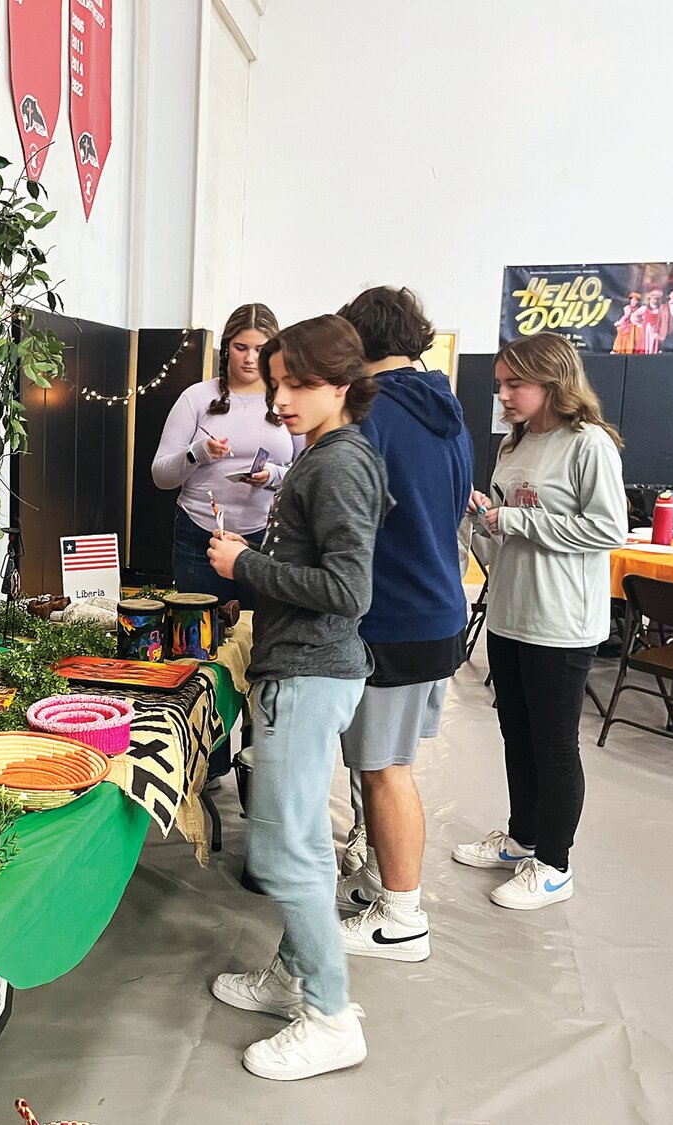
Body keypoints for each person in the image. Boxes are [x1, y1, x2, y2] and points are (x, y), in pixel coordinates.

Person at [206, 315, 391, 1081]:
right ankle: (294, 977)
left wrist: (247, 563)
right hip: (308, 667)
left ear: (342, 386)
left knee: (287, 847)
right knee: (302, 837)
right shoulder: (329, 456)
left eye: (298, 383)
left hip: (311, 671)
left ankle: (329, 1013)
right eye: (276, 379)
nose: (280, 396)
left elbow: (349, 589)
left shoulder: (336, 465)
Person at [455, 332, 626, 910]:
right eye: (499, 384)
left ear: (552, 382)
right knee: (516, 734)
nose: (502, 395)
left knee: (553, 745)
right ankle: (522, 836)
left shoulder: (589, 445)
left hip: (561, 622)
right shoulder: (513, 445)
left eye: (513, 385)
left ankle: (554, 864)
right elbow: (506, 531)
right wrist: (482, 520)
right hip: (509, 613)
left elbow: (607, 531)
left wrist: (515, 520)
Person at [331, 288, 473, 964]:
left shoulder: (376, 413)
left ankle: (401, 916)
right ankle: (378, 878)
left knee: (385, 769)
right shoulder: (442, 405)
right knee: (381, 762)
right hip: (436, 606)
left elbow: (353, 524)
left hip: (395, 613)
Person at [151, 303, 302, 609]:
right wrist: (198, 453)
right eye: (240, 347)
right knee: (198, 633)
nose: (249, 358)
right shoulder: (196, 397)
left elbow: (308, 475)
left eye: (259, 349)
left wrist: (272, 476)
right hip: (200, 535)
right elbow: (161, 476)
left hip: (266, 538)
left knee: (263, 633)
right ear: (226, 348)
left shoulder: (289, 399)